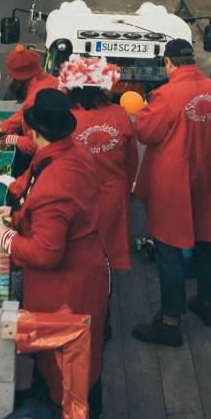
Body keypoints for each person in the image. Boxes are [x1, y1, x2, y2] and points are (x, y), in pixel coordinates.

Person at [0, 90, 108, 419]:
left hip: (66, 290)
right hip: (86, 273)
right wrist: (18, 215)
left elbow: (46, 252)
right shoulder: (72, 153)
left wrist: (6, 237)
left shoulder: (55, 180)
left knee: (68, 378)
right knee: (86, 371)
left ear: (36, 133)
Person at [131, 40, 211, 346]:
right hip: (205, 175)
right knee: (205, 239)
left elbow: (146, 132)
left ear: (169, 63)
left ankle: (170, 321)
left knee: (169, 248)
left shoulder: (168, 94)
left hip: (174, 180)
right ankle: (207, 303)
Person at [59, 55, 137, 270]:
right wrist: (125, 185)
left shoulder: (67, 118)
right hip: (113, 193)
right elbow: (131, 159)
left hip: (77, 195)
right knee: (108, 254)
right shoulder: (119, 114)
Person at [0, 47, 55, 174]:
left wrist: (13, 139)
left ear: (19, 78)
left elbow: (35, 145)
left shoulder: (35, 100)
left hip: (47, 162)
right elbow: (23, 113)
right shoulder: (48, 81)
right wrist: (1, 128)